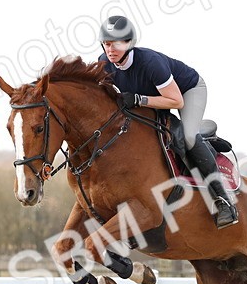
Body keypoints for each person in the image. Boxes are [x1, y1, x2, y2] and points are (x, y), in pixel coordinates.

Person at [96, 15, 238, 228]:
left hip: (187, 91)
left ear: (129, 43)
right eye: (107, 44)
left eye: (116, 44)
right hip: (154, 99)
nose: (110, 49)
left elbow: (176, 101)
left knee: (188, 137)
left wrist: (139, 99)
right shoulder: (104, 64)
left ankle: (223, 200)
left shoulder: (150, 63)